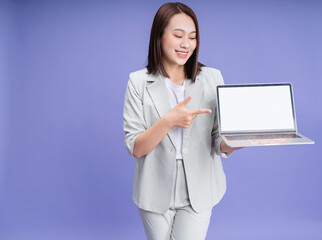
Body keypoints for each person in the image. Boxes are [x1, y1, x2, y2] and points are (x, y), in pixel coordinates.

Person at [123, 2, 242, 240]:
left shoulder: (212, 78)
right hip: (154, 187)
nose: (186, 44)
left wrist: (235, 142)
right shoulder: (137, 82)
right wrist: (168, 120)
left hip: (199, 185)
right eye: (178, 35)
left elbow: (219, 139)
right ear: (159, 36)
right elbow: (136, 147)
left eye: (192, 37)